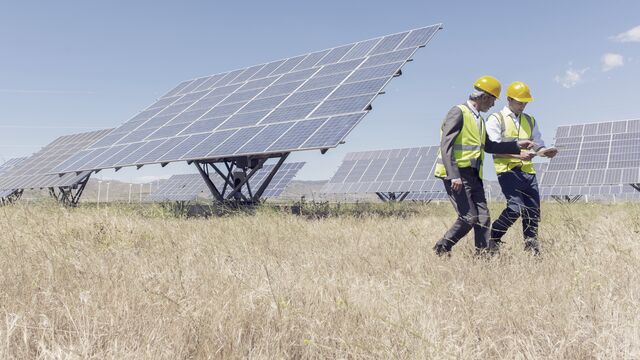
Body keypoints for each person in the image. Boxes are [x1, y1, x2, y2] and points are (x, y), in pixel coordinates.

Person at [433, 76, 534, 256]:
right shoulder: (458, 112)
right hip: (457, 174)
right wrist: (453, 175)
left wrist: (517, 145)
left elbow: (490, 147)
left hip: (473, 175)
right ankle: (442, 248)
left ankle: (483, 257)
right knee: (468, 218)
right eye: (494, 99)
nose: (494, 104)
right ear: (485, 97)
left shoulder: (479, 119)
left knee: (483, 217)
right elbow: (446, 144)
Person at [486, 81, 558, 255]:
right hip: (508, 171)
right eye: (520, 102)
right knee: (515, 208)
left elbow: (537, 143)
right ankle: (492, 239)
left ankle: (532, 250)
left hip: (528, 172)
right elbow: (493, 149)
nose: (523, 105)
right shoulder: (496, 119)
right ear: (509, 99)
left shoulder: (530, 120)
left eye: (525, 102)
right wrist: (518, 155)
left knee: (532, 212)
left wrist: (545, 151)